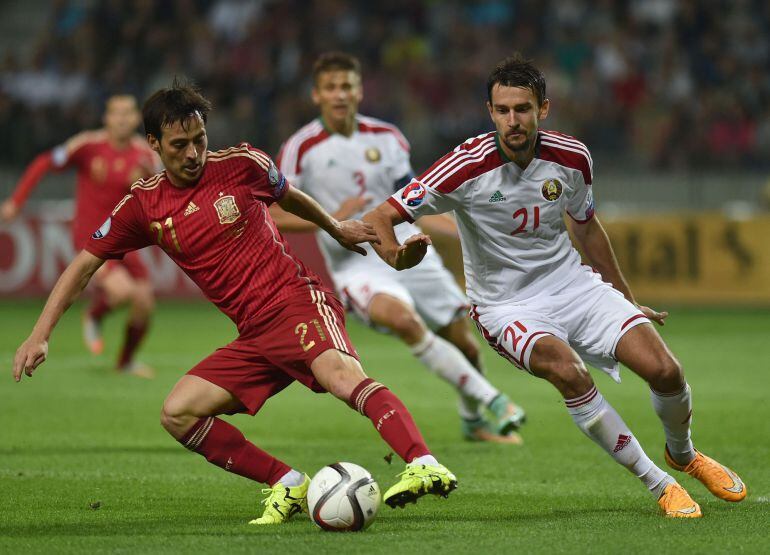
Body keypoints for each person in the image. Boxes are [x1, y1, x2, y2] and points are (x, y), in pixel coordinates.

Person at [12, 82, 457, 524]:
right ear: (154, 144)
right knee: (178, 413)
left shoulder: (242, 164)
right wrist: (39, 334)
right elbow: (83, 265)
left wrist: (336, 226)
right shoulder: (144, 205)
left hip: (296, 301)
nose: (193, 153)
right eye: (179, 144)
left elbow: (291, 198)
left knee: (342, 378)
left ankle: (423, 463)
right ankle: (287, 483)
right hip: (254, 335)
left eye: (199, 140)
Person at [363, 54, 747, 518]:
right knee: (571, 374)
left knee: (667, 371)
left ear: (543, 109)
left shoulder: (572, 157)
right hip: (506, 306)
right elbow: (380, 217)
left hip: (571, 284)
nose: (512, 121)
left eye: (522, 109)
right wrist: (395, 257)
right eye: (502, 110)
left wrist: (626, 300)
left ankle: (683, 455)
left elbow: (586, 228)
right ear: (490, 112)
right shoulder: (463, 167)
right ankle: (659, 483)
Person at [271, 52, 525, 444]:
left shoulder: (387, 138)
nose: (340, 95)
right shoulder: (300, 147)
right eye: (331, 87)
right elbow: (274, 213)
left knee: (466, 346)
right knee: (404, 321)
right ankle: (493, 401)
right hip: (357, 263)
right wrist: (329, 219)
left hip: (409, 249)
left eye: (347, 86)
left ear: (359, 90)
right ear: (316, 95)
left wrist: (461, 229)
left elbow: (415, 200)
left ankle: (473, 421)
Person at [1, 95, 159, 378]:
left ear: (136, 119)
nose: (122, 118)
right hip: (92, 238)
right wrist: (17, 200)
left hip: (127, 239)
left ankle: (125, 363)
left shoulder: (146, 154)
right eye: (116, 113)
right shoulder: (88, 145)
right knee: (123, 292)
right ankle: (95, 314)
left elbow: (163, 191)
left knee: (145, 303)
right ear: (106, 118)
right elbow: (44, 162)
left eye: (128, 113)